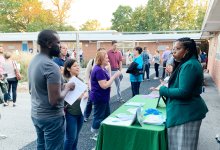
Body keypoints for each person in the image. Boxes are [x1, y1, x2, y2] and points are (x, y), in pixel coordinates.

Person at [152, 37, 208, 150]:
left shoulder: (190, 65)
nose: (174, 52)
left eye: (177, 49)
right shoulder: (187, 63)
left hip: (186, 114)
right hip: (183, 112)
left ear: (187, 50)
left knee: (182, 147)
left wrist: (163, 90)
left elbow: (184, 92)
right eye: (173, 49)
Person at [28, 30, 75, 150]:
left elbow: (33, 89)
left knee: (41, 146)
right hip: (52, 119)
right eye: (58, 42)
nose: (60, 46)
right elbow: (54, 100)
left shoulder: (34, 61)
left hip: (37, 115)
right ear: (49, 44)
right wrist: (68, 87)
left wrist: (62, 86)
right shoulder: (50, 66)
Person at [90, 50, 121, 139]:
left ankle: (101, 132)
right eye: (106, 57)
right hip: (99, 97)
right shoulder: (98, 69)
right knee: (99, 116)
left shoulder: (102, 68)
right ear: (101, 59)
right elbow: (104, 85)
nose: (108, 58)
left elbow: (107, 82)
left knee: (106, 114)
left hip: (103, 97)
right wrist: (114, 76)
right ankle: (95, 133)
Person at [63, 59, 87, 150]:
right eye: (75, 66)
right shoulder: (64, 80)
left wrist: (86, 94)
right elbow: (62, 97)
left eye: (78, 65)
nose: (78, 67)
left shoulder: (80, 80)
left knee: (76, 138)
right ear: (68, 68)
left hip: (80, 112)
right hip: (70, 114)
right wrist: (80, 96)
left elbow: (85, 92)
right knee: (70, 138)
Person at [84, 48, 111, 122]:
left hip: (102, 93)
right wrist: (87, 84)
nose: (107, 58)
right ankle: (86, 116)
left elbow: (109, 75)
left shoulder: (105, 65)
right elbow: (87, 73)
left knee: (103, 111)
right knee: (90, 103)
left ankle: (99, 127)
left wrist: (109, 81)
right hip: (94, 87)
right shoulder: (94, 64)